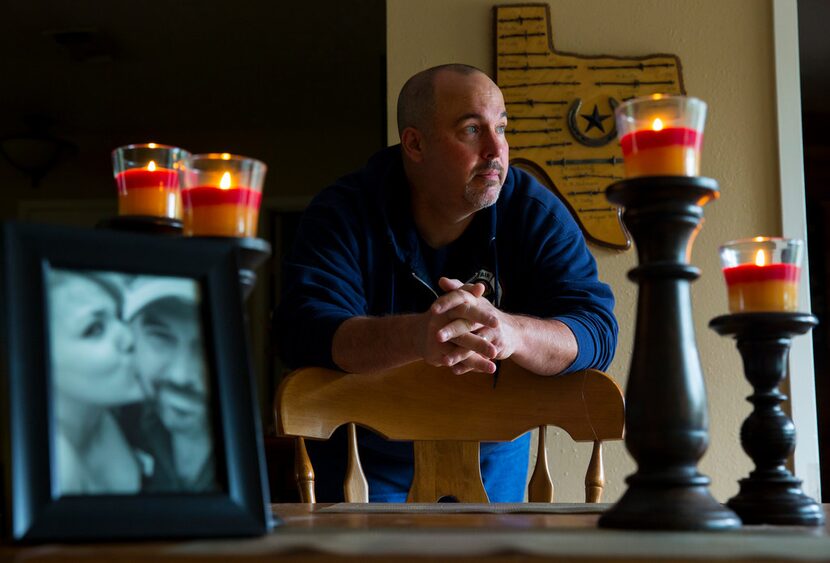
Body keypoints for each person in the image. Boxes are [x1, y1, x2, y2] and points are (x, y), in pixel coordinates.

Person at [275, 63, 618, 502]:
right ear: (415, 144)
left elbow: (596, 330)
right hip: (361, 472)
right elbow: (302, 329)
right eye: (472, 130)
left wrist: (511, 332)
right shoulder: (342, 214)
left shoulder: (536, 214)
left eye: (502, 127)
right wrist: (417, 337)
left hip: (494, 465)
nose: (498, 150)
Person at [48, 269, 145, 495]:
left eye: (121, 316)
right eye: (94, 329)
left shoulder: (124, 412)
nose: (130, 338)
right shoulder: (57, 471)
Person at [119, 277, 217, 492]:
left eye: (202, 344)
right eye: (161, 337)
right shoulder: (112, 428)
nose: (181, 376)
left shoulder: (236, 447)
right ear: (129, 337)